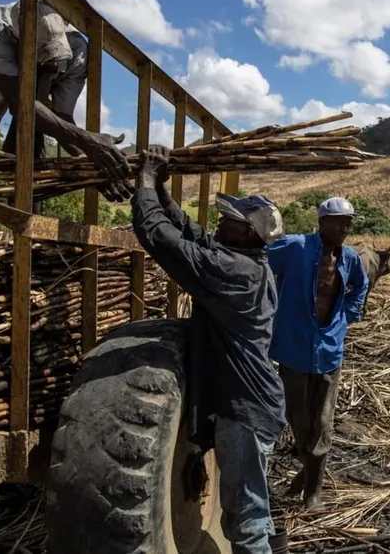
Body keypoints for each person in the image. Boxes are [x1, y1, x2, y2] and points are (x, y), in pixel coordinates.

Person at [130, 145, 285, 554]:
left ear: (251, 233)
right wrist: (161, 188)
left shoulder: (235, 271)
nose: (220, 222)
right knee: (250, 507)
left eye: (231, 221)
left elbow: (161, 239)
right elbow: (191, 233)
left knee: (246, 520)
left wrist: (144, 179)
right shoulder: (246, 260)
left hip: (246, 412)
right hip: (251, 404)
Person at [0, 0, 132, 239]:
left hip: (31, 105)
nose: (52, 62)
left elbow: (61, 117)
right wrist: (89, 142)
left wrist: (92, 164)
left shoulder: (77, 51)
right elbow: (21, 106)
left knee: (29, 170)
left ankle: (24, 247)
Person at [266, 196, 369, 510]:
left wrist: (346, 317)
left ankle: (313, 492)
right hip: (294, 349)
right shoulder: (296, 247)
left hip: (327, 351)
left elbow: (360, 287)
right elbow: (258, 261)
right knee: (297, 419)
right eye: (339, 221)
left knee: (322, 421)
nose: (345, 227)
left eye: (349, 222)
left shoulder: (350, 259)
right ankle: (306, 470)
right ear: (322, 222)